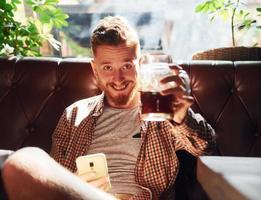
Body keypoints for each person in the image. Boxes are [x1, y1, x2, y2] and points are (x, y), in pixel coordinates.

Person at [2, 16, 215, 200]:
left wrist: (181, 117)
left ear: (139, 64)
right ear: (94, 69)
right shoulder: (74, 114)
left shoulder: (161, 111)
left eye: (126, 66)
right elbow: (54, 177)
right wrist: (75, 183)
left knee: (24, 160)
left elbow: (207, 147)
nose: (118, 78)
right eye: (107, 67)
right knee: (27, 162)